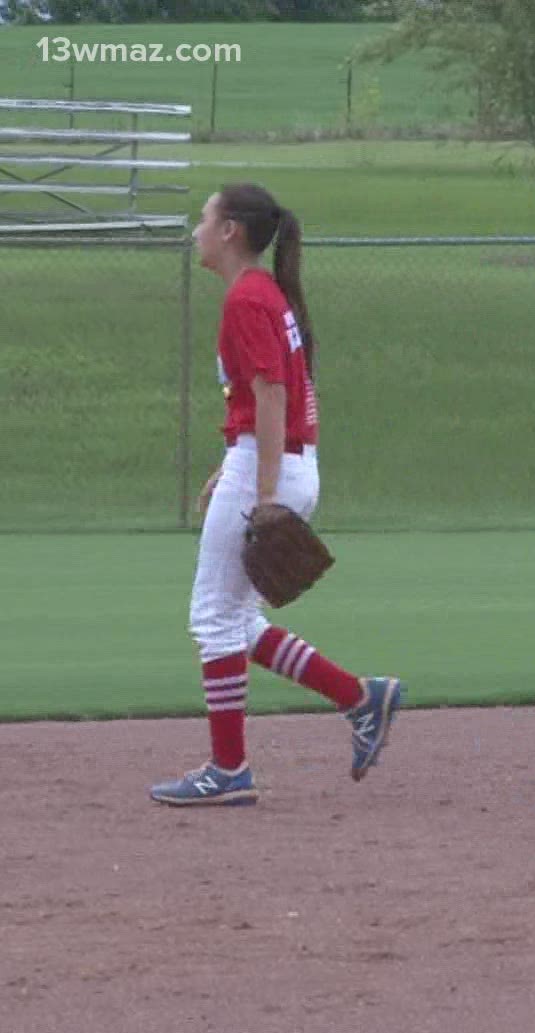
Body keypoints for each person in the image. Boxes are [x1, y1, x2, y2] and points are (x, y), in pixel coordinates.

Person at [149, 183, 403, 807]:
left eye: (205, 218)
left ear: (231, 230)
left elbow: (271, 395)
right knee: (235, 619)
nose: (197, 229)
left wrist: (260, 493)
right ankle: (358, 697)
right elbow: (263, 398)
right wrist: (230, 463)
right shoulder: (263, 294)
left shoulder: (247, 297)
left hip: (271, 468)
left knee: (212, 617)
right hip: (277, 461)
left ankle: (228, 771)